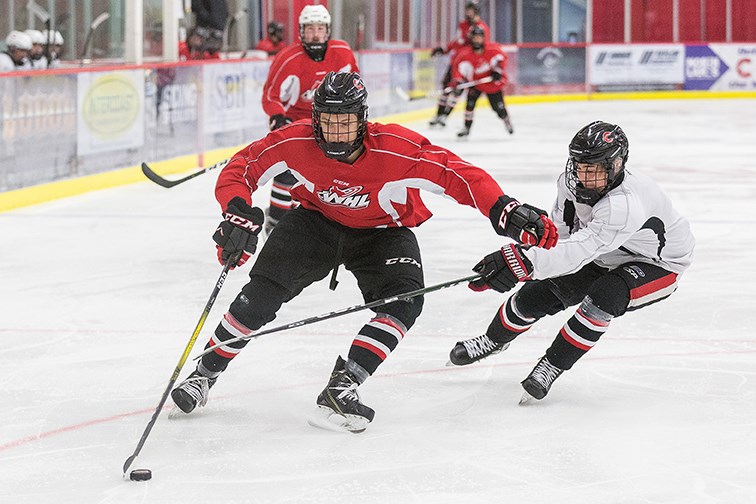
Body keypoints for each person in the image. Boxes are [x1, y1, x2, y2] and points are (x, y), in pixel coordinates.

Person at [170, 71, 558, 433]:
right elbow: (243, 167)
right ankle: (204, 372)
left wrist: (502, 208)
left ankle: (343, 385)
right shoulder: (296, 139)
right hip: (314, 222)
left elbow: (456, 174)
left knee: (405, 301)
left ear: (363, 120)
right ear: (316, 119)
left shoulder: (395, 148)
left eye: (346, 122)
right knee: (259, 298)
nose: (336, 132)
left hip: (382, 233)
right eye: (327, 121)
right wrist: (236, 210)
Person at [449, 121, 695, 404]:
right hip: (604, 251)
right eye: (579, 166)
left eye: (595, 169)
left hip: (659, 263)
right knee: (537, 294)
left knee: (605, 296)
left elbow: (580, 251)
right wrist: (529, 252)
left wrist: (524, 262)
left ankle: (552, 365)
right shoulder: (569, 183)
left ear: (616, 165)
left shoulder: (625, 204)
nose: (584, 176)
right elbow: (562, 239)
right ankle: (493, 340)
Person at [260, 4, 359, 235]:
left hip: (330, 121)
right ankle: (275, 223)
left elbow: (355, 85)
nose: (316, 34)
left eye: (320, 29)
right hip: (294, 122)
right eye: (310, 29)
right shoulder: (288, 58)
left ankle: (325, 219)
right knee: (287, 170)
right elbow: (270, 95)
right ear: (301, 32)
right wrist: (278, 116)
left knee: (338, 171)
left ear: (328, 31)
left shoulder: (342, 52)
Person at [440, 25, 513, 138]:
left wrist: (497, 71)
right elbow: (457, 69)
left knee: (498, 108)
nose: (477, 40)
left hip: (491, 84)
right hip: (476, 84)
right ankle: (466, 128)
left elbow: (502, 59)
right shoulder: (465, 54)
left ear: (483, 38)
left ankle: (506, 120)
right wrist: (457, 80)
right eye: (475, 37)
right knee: (470, 105)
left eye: (479, 37)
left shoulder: (493, 49)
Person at [429, 1, 490, 127]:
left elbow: (484, 47)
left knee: (458, 90)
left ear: (476, 11)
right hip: (456, 62)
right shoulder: (463, 25)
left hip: (467, 65)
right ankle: (439, 115)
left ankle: (445, 116)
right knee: (446, 88)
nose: (468, 12)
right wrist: (444, 49)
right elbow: (457, 42)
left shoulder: (482, 28)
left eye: (471, 10)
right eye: (467, 10)